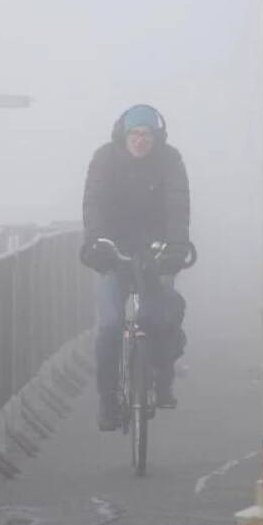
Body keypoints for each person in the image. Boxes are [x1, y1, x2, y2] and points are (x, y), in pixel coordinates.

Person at [79, 104, 193, 431]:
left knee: (162, 313)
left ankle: (162, 375)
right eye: (135, 134)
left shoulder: (170, 161)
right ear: (124, 135)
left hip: (157, 251)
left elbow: (178, 207)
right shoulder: (105, 159)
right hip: (113, 250)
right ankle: (108, 398)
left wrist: (177, 246)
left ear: (156, 137)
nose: (141, 140)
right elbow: (94, 202)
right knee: (111, 323)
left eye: (147, 134)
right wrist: (96, 243)